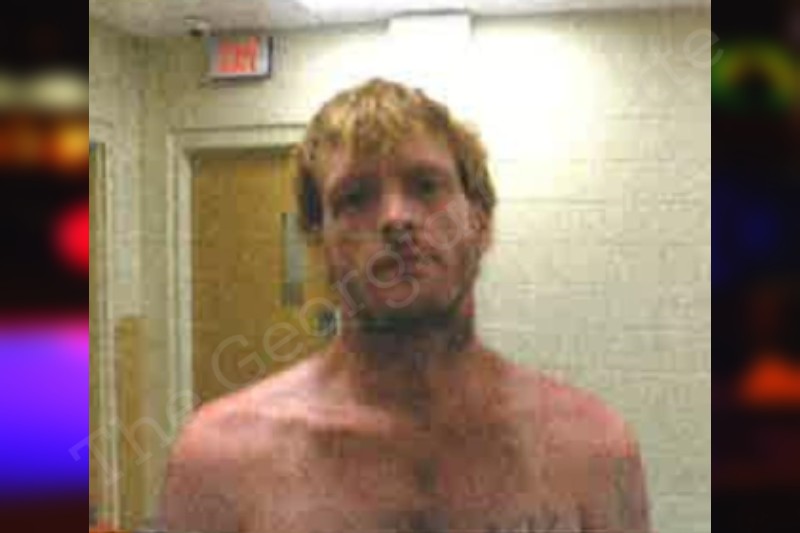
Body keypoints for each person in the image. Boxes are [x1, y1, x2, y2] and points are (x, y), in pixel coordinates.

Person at [159, 78, 652, 533]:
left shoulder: (591, 449)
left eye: (426, 186)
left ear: (480, 222)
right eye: (356, 198)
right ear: (318, 241)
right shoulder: (222, 461)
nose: (396, 219)